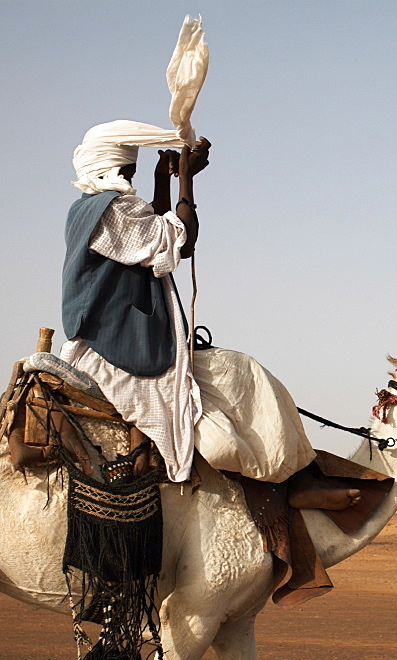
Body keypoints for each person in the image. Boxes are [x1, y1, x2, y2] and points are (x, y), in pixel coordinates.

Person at [59, 120, 360, 511]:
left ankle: (297, 478)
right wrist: (186, 178)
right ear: (114, 170)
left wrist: (161, 180)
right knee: (229, 413)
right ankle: (285, 485)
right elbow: (181, 238)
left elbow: (154, 232)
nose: (130, 179)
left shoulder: (91, 210)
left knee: (243, 373)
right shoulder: (110, 211)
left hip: (127, 341)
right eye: (129, 171)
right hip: (122, 353)